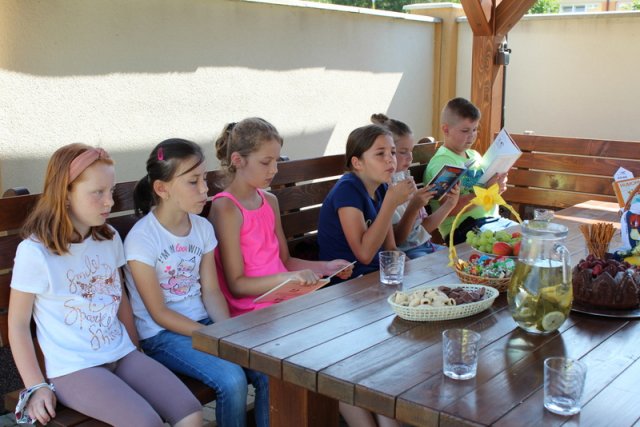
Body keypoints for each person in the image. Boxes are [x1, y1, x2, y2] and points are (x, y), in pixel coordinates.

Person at [8, 144, 202, 427]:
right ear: (65, 194)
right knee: (147, 423)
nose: (109, 202)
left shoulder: (108, 237)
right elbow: (17, 325)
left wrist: (135, 349)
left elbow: (119, 298)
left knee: (190, 411)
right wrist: (36, 386)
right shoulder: (35, 252)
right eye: (97, 192)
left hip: (121, 353)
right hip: (75, 369)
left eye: (110, 191)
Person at [123, 139, 268, 427]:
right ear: (162, 188)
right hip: (162, 336)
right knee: (232, 380)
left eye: (204, 179)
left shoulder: (201, 228)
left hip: (204, 324)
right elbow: (158, 313)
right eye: (193, 181)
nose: (204, 189)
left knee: (267, 369)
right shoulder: (142, 239)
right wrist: (211, 336)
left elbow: (211, 291)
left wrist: (227, 332)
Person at [210, 118, 353, 316]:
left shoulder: (270, 201)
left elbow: (285, 261)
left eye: (276, 161)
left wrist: (328, 267)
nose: (274, 169)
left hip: (285, 298)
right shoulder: (227, 208)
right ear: (237, 160)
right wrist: (285, 279)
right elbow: (237, 285)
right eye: (265, 162)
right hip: (253, 310)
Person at [317, 124, 407, 426]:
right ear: (357, 162)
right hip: (343, 290)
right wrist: (391, 203)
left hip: (370, 286)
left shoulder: (380, 188)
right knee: (366, 359)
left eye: (392, 152)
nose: (390, 159)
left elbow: (390, 250)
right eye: (380, 154)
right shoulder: (348, 190)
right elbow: (364, 254)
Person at [423, 97, 517, 245]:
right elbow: (449, 209)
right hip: (462, 229)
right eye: (465, 130)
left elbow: (485, 194)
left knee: (528, 237)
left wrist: (497, 187)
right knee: (513, 245)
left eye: (474, 129)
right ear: (446, 130)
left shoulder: (474, 155)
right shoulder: (442, 163)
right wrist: (486, 191)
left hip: (492, 222)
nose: (472, 135)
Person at [371, 113, 460, 259]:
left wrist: (450, 203)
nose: (410, 157)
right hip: (405, 254)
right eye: (403, 152)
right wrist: (413, 207)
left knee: (460, 261)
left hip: (425, 246)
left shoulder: (405, 179)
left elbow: (422, 228)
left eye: (411, 151)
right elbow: (398, 240)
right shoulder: (382, 190)